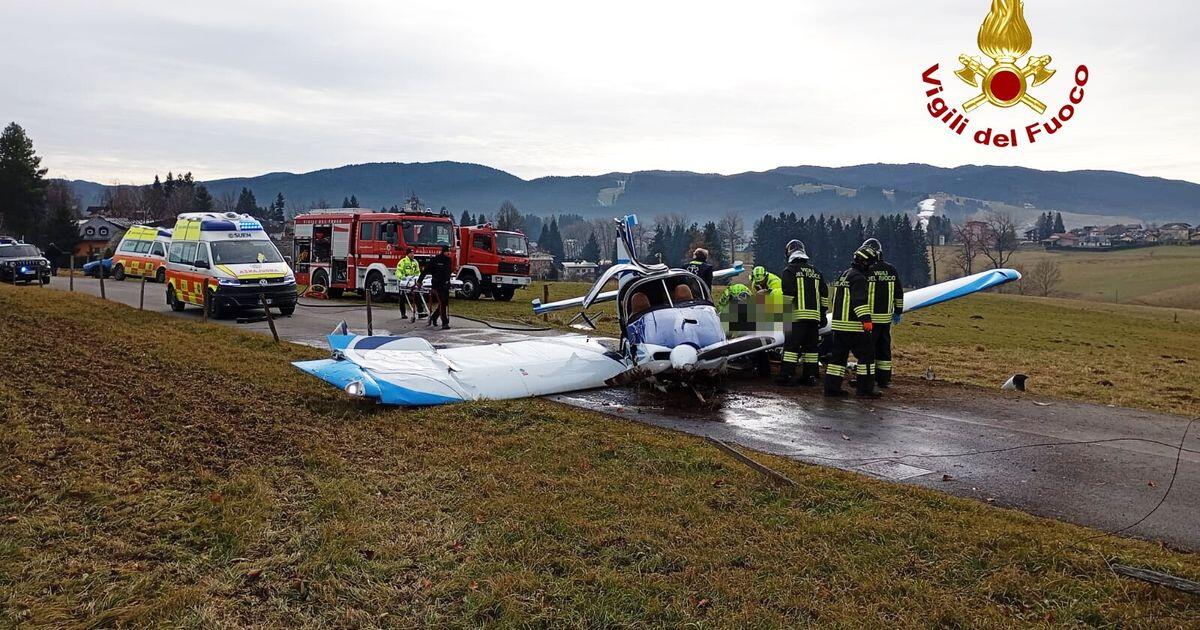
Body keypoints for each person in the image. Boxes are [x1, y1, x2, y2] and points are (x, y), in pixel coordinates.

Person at [824, 246, 879, 398]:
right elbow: (859, 302)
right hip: (854, 326)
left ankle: (831, 389)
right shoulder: (859, 278)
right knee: (867, 357)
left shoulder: (844, 275)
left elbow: (835, 299)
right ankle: (865, 390)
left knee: (838, 358)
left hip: (838, 325)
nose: (872, 267)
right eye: (871, 263)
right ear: (865, 262)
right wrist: (866, 321)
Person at [777, 240, 827, 387]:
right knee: (811, 349)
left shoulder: (789, 271)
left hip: (796, 317)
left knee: (791, 348)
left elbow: (788, 295)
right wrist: (823, 314)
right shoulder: (816, 272)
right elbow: (824, 295)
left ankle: (786, 375)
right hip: (814, 318)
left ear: (789, 253)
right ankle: (810, 376)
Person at [862, 238, 904, 389]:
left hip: (869, 319)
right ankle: (884, 379)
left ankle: (868, 378)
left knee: (868, 350)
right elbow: (899, 293)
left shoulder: (866, 270)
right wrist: (898, 311)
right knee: (884, 350)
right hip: (885, 319)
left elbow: (859, 293)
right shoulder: (891, 270)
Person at [418, 244, 454, 329]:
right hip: (437, 285)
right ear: (443, 252)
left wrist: (449, 283)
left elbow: (448, 273)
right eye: (447, 252)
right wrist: (419, 281)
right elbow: (426, 270)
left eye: (449, 251)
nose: (449, 253)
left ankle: (434, 317)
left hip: (445, 285)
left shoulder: (449, 260)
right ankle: (444, 323)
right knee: (442, 302)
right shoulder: (436, 260)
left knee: (445, 303)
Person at [394, 248, 421, 318]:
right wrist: (402, 278)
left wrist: (418, 278)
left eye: (413, 253)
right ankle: (403, 314)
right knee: (402, 298)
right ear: (408, 254)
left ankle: (420, 312)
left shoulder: (415, 262)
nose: (412, 255)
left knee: (417, 295)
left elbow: (418, 272)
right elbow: (398, 272)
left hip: (413, 282)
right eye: (411, 253)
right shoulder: (402, 262)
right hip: (404, 282)